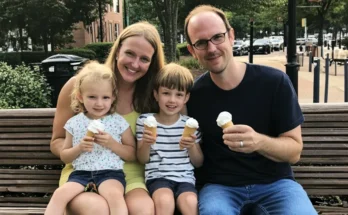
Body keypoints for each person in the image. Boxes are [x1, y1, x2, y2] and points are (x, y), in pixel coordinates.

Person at [184, 5, 317, 215]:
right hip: (220, 187)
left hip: (277, 184)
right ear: (192, 50)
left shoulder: (274, 82)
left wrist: (258, 141)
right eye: (201, 43)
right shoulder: (193, 95)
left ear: (231, 36)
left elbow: (294, 152)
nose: (211, 48)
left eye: (217, 37)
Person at [50, 21, 165, 215]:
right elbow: (57, 141)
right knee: (98, 209)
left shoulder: (153, 95)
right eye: (129, 53)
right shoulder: (78, 86)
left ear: (152, 62)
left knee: (144, 209)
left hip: (130, 175)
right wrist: (79, 147)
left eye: (144, 59)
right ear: (118, 49)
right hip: (81, 173)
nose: (135, 64)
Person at [45, 61, 135, 215]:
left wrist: (112, 144)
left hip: (110, 173)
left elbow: (132, 153)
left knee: (115, 196)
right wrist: (79, 148)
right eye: (92, 97)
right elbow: (65, 156)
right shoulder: (74, 123)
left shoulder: (118, 122)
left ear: (113, 97)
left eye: (105, 97)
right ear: (80, 96)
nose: (99, 103)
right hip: (80, 173)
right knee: (59, 195)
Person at [136, 63, 204, 215]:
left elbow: (198, 163)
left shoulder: (190, 125)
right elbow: (142, 159)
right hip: (158, 176)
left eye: (179, 95)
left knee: (190, 203)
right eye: (166, 93)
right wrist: (146, 144)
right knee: (165, 201)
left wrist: (192, 146)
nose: (172, 100)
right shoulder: (145, 121)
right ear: (156, 94)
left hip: (185, 178)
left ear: (186, 98)